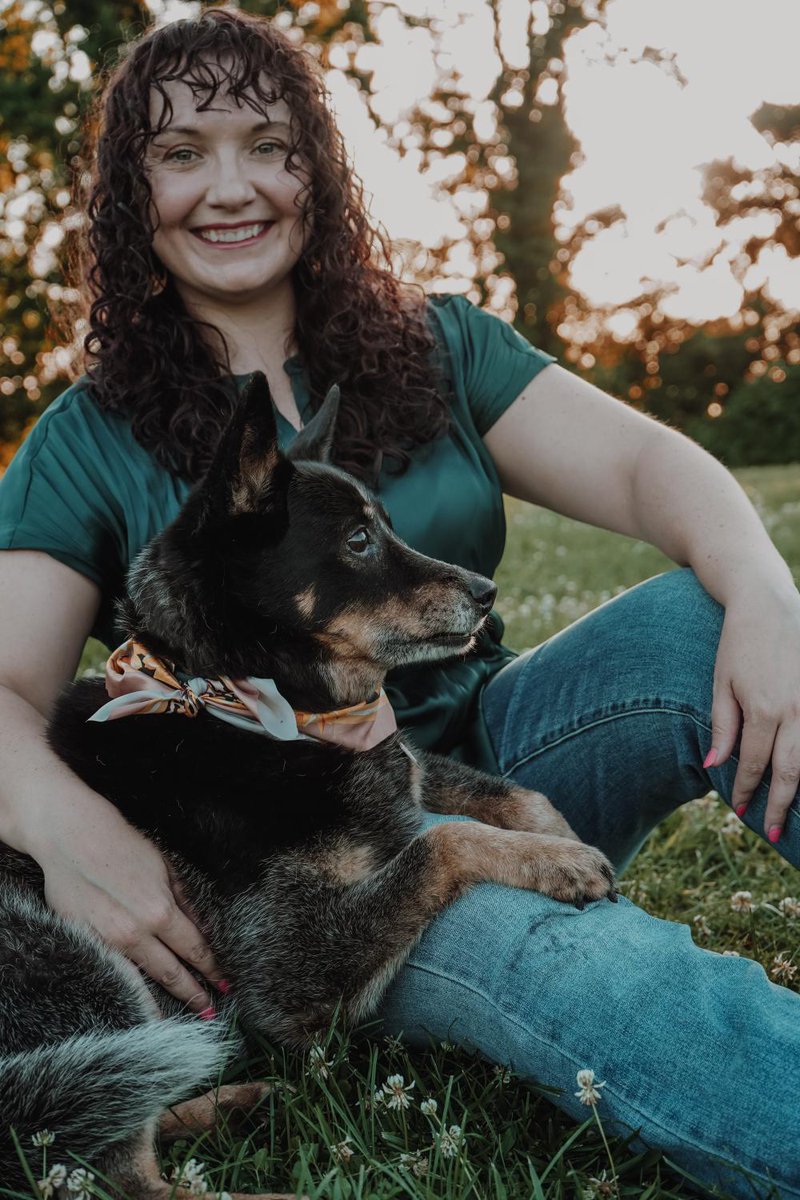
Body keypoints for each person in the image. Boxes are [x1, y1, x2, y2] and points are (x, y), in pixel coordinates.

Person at [0, 8, 798, 1197]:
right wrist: (72, 838)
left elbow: (649, 472)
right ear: (132, 192)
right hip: (304, 858)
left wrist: (770, 599)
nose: (231, 187)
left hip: (484, 758)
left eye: (267, 144)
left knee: (705, 619)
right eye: (181, 153)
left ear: (312, 167)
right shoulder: (86, 436)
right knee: (579, 960)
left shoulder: (433, 344)